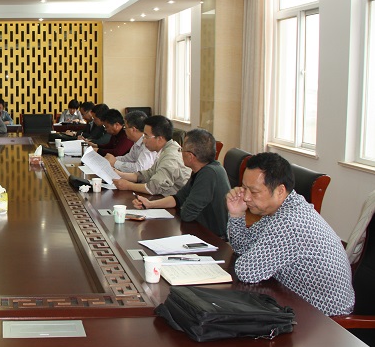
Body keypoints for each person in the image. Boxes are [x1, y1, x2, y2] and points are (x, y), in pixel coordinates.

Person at [226, 152, 354, 316]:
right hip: (296, 301)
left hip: (324, 318)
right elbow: (243, 247)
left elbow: (246, 272)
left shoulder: (290, 221)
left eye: (254, 192)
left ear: (280, 191)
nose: (246, 197)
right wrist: (236, 214)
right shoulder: (282, 208)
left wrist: (253, 257)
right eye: (244, 188)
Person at [132, 129, 229, 237]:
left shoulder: (209, 174)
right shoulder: (202, 169)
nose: (180, 152)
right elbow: (179, 198)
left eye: (181, 149)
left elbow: (187, 214)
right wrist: (150, 204)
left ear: (191, 156)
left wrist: (183, 205)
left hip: (213, 238)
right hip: (198, 230)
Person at [112, 115, 191, 196]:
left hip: (178, 201)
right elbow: (149, 174)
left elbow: (154, 187)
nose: (144, 140)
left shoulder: (170, 157)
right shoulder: (165, 150)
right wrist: (120, 174)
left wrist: (129, 186)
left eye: (146, 136)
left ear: (159, 139)